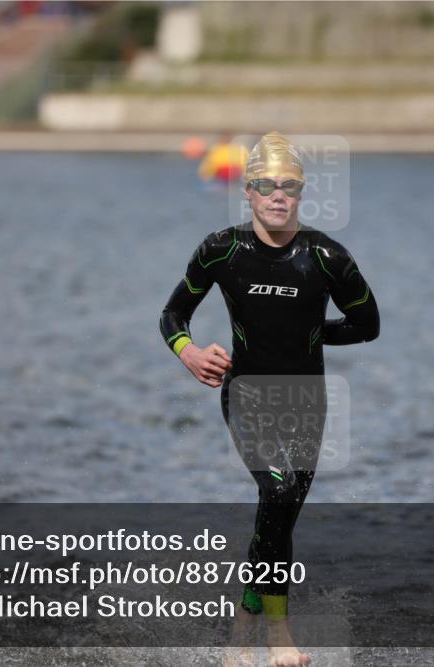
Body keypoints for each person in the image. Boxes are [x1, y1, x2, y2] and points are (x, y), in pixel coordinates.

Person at [159, 131, 380, 667]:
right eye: (265, 185)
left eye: (289, 186)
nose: (277, 195)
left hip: (307, 401)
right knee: (278, 495)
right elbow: (172, 316)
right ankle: (280, 639)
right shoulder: (222, 250)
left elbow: (367, 325)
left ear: (301, 193)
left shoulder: (328, 256)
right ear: (249, 193)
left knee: (276, 516)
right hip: (247, 394)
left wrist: (307, 330)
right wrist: (187, 352)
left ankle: (240, 632)